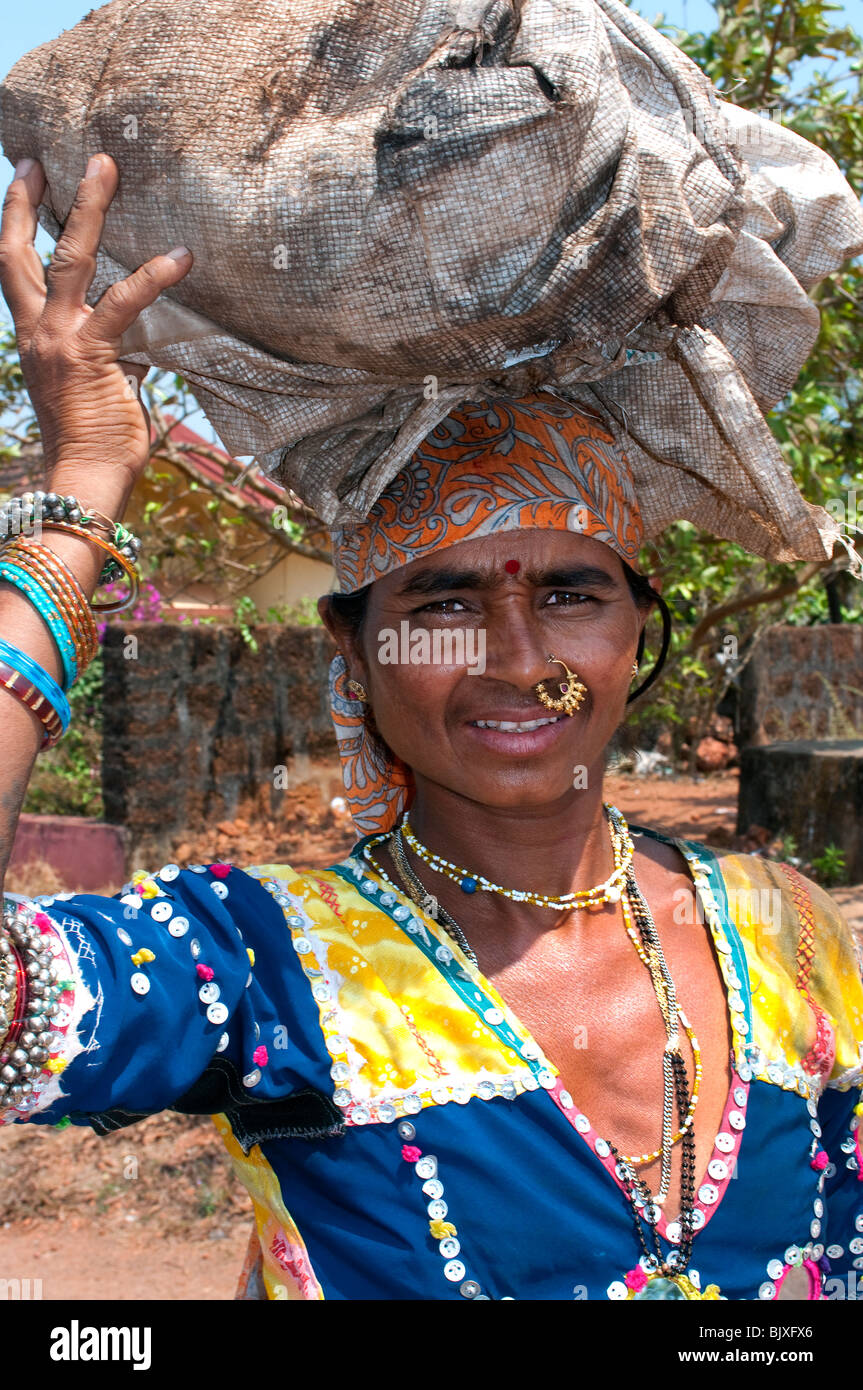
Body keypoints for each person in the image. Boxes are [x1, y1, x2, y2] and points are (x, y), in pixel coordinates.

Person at [0, 153, 861, 1303]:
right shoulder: (268, 958)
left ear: (636, 630)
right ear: (352, 650)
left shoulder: (787, 934)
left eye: (569, 593)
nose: (515, 659)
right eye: (443, 602)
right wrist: (81, 492)